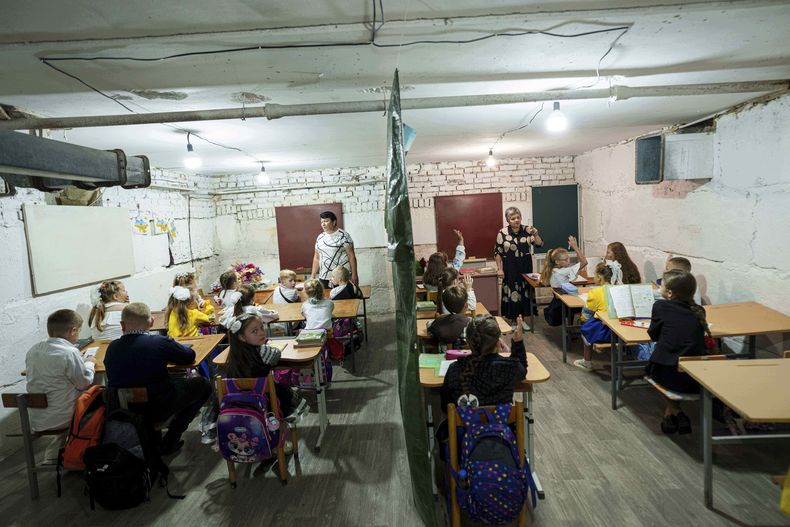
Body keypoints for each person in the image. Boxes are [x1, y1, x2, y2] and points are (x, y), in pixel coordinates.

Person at [104, 302, 211, 455]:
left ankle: (154, 437)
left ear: (122, 324)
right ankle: (171, 439)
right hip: (159, 406)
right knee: (203, 385)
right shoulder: (159, 343)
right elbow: (189, 357)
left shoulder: (112, 347)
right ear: (152, 322)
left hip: (124, 410)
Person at [25, 309, 96, 462]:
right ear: (73, 330)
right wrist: (89, 363)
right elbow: (84, 382)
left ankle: (53, 454)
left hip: (37, 419)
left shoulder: (33, 350)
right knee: (98, 396)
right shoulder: (69, 352)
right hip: (64, 417)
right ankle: (84, 455)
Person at [646, 270, 709, 434]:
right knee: (673, 372)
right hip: (696, 375)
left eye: (662, 284)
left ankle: (675, 411)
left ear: (669, 293)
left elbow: (654, 335)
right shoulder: (699, 310)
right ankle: (672, 413)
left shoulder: (660, 306)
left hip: (668, 371)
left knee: (651, 371)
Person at [224, 313, 309, 424]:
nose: (261, 333)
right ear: (242, 337)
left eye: (261, 328)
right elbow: (276, 354)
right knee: (280, 388)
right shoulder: (263, 352)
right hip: (266, 407)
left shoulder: (234, 356)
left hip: (239, 407)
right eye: (254, 331)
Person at [440, 315, 527, 412]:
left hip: (465, 427)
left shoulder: (455, 369)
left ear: (468, 342)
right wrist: (518, 342)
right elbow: (522, 371)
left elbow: (445, 406)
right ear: (498, 343)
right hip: (502, 425)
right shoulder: (509, 368)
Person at [495, 207, 543, 321]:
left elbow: (539, 244)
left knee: (525, 291)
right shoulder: (502, 233)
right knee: (512, 291)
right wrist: (499, 269)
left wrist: (536, 234)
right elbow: (498, 252)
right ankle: (513, 319)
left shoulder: (528, 230)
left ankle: (523, 319)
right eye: (513, 218)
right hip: (510, 267)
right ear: (508, 220)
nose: (516, 220)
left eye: (518, 217)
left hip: (525, 267)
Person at [573, 262, 615, 371]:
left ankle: (587, 362)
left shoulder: (595, 292)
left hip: (604, 330)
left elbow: (586, 315)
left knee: (586, 326)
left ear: (600, 278)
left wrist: (583, 320)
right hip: (619, 327)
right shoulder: (619, 289)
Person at [311, 211, 358, 288]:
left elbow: (351, 256)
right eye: (322, 222)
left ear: (334, 222)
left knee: (343, 299)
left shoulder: (344, 236)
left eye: (326, 221)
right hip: (324, 277)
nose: (323, 224)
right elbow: (316, 258)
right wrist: (313, 276)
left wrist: (354, 274)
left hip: (341, 278)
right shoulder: (320, 237)